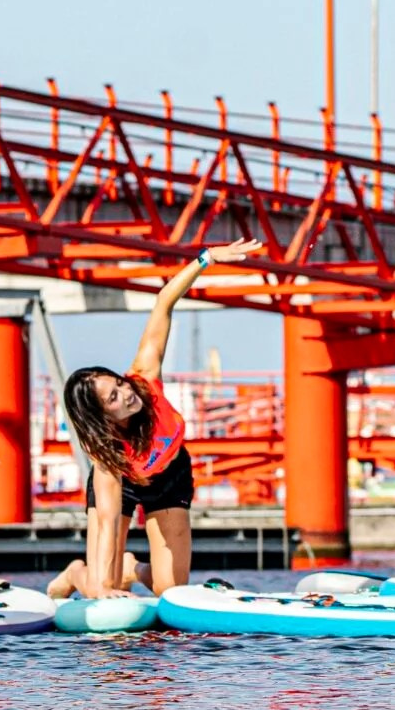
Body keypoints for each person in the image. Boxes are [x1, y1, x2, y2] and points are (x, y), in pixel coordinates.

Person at [50, 237, 262, 600]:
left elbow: (164, 302)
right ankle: (76, 573)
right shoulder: (106, 454)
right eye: (114, 398)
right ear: (103, 418)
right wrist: (103, 589)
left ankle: (132, 568)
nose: (126, 393)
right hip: (125, 483)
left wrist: (207, 258)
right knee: (102, 588)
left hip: (170, 475)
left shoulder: (144, 378)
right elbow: (107, 520)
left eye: (118, 384)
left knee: (170, 590)